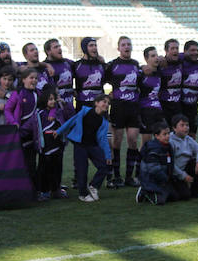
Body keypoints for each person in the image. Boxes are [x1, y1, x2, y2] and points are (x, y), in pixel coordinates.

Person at [55, 94, 112, 203]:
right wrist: (58, 131)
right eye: (104, 102)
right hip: (80, 145)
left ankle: (93, 186)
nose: (106, 104)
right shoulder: (85, 111)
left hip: (93, 146)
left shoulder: (104, 121)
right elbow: (71, 121)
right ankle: (82, 194)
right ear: (96, 103)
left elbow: (104, 139)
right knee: (82, 170)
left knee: (104, 166)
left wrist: (108, 155)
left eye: (108, 103)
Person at [104, 36, 142, 188]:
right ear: (118, 48)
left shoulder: (135, 64)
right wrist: (108, 95)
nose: (127, 47)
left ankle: (129, 177)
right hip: (118, 108)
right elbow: (102, 80)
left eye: (129, 44)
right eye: (123, 45)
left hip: (133, 108)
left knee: (133, 140)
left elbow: (140, 83)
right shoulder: (112, 65)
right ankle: (117, 176)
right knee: (117, 142)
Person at [5, 68, 42, 194]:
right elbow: (7, 109)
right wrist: (14, 123)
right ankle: (18, 189)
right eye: (31, 78)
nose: (34, 80)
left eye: (36, 78)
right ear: (23, 79)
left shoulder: (39, 93)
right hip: (19, 133)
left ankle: (33, 190)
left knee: (32, 163)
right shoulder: (18, 93)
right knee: (19, 162)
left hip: (33, 134)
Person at [168, 115, 198, 200]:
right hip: (174, 173)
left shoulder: (188, 139)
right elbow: (170, 164)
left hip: (185, 169)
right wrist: (183, 176)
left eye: (187, 125)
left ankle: (196, 191)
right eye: (182, 125)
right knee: (183, 196)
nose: (186, 128)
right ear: (174, 128)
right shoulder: (170, 142)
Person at [38, 90, 68, 200]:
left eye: (54, 99)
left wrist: (64, 103)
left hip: (58, 143)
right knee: (45, 168)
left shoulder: (59, 111)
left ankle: (56, 190)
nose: (53, 101)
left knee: (57, 167)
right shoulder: (40, 113)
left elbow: (69, 116)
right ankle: (44, 190)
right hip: (46, 144)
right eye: (50, 99)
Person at [135, 121, 173, 205]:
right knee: (159, 201)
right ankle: (144, 192)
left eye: (168, 133)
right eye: (164, 134)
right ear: (156, 136)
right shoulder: (153, 149)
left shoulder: (167, 146)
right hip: (150, 180)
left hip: (161, 179)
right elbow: (154, 169)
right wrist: (165, 179)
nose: (168, 136)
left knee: (175, 196)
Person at [180, 40, 198, 139]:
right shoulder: (180, 63)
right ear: (185, 51)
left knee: (192, 136)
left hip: (193, 107)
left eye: (197, 50)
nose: (195, 53)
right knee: (178, 136)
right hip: (180, 107)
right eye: (192, 50)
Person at [43, 38, 77, 121]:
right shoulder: (44, 67)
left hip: (69, 107)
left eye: (59, 46)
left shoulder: (69, 63)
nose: (59, 48)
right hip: (54, 110)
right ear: (48, 51)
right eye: (55, 47)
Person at [73, 37, 107, 110]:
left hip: (99, 106)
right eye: (91, 45)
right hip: (83, 106)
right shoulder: (76, 65)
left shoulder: (101, 64)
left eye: (95, 45)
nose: (94, 47)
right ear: (85, 48)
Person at [159, 39, 184, 121]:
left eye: (177, 48)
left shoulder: (180, 61)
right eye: (172, 48)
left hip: (178, 106)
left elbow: (190, 54)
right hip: (164, 106)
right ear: (166, 51)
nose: (175, 51)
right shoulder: (160, 64)